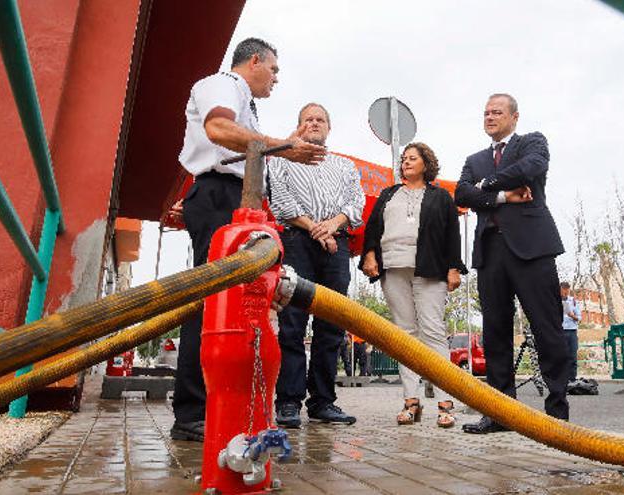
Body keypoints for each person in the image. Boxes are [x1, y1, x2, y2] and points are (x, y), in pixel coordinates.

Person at [171, 38, 326, 442]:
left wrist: (281, 144)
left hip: (232, 199)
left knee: (234, 304)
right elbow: (218, 128)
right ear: (254, 61)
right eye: (273, 69)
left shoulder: (244, 103)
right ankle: (192, 412)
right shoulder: (222, 84)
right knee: (211, 301)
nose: (276, 78)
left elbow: (247, 146)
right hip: (218, 196)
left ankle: (219, 402)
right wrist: (285, 147)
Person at [455, 93, 571, 433]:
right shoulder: (474, 159)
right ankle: (501, 411)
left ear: (514, 117)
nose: (490, 117)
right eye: (486, 112)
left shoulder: (532, 143)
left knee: (546, 327)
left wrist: (487, 186)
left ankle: (557, 413)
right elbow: (462, 195)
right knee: (495, 333)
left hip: (532, 249)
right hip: (490, 252)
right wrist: (505, 195)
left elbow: (530, 168)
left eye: (497, 112)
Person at [269, 102, 365, 427]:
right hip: (297, 240)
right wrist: (314, 227)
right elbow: (279, 201)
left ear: (329, 127)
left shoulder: (345, 165)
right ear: (299, 126)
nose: (314, 123)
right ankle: (289, 402)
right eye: (307, 119)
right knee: (292, 322)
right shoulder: (281, 160)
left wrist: (332, 226)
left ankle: (323, 401)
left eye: (319, 119)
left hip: (336, 244)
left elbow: (356, 204)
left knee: (332, 323)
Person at [360, 142, 467, 428]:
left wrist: (453, 268)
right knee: (404, 335)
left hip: (430, 268)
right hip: (393, 267)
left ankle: (446, 402)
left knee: (432, 331)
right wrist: (370, 254)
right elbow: (373, 228)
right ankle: (411, 402)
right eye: (404, 159)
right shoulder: (388, 194)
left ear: (426, 163)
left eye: (413, 158)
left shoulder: (441, 197)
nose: (406, 162)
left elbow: (451, 235)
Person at [560, 282, 582, 383]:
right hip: (559, 332)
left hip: (572, 332)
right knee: (561, 357)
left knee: (572, 357)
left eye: (567, 291)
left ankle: (572, 380)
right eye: (563, 291)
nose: (565, 293)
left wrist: (572, 315)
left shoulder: (573, 301)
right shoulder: (554, 301)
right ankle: (562, 380)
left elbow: (579, 318)